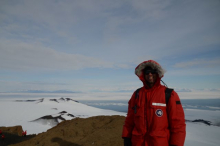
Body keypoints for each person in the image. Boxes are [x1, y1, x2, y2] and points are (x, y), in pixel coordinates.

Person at [122, 60, 186, 146]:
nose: (150, 74)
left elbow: (178, 124)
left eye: (153, 72)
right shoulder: (137, 94)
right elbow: (130, 120)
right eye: (147, 72)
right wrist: (126, 137)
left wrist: (176, 144)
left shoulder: (169, 94)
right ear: (143, 75)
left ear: (158, 74)